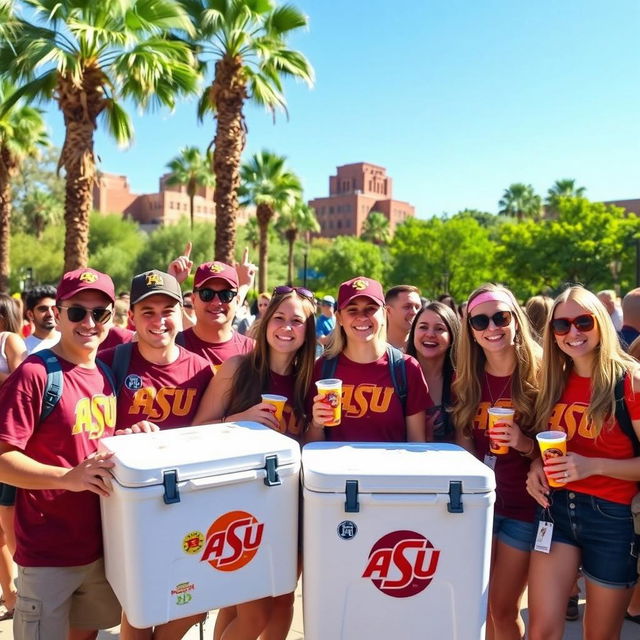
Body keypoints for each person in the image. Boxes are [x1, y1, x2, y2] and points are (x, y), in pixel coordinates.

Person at [0, 267, 121, 640]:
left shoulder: (106, 373)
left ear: (112, 317)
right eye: (77, 312)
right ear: (60, 313)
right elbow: (3, 460)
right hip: (49, 554)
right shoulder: (35, 374)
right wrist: (67, 477)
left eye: (99, 313)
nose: (89, 322)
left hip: (102, 549)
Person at [193, 285, 317, 640]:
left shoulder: (311, 378)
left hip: (291, 502)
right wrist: (241, 417)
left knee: (282, 601)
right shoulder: (237, 367)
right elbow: (197, 429)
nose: (286, 327)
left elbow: (311, 445)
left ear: (308, 330)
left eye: (297, 321)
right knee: (249, 607)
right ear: (265, 322)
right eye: (278, 318)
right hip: (239, 503)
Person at [100, 270, 215, 640]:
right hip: (129, 505)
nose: (159, 320)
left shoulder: (200, 370)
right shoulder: (109, 364)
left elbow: (212, 432)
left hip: (187, 504)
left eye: (168, 310)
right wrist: (121, 437)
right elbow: (89, 433)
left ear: (183, 313)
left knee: (196, 595)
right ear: (130, 317)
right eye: (147, 311)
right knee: (137, 603)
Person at [526, 285, 640, 640]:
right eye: (562, 325)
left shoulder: (630, 381)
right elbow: (542, 447)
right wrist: (535, 467)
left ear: (601, 323)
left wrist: (593, 466)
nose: (573, 333)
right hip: (556, 513)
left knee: (600, 635)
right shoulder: (551, 380)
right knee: (542, 631)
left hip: (613, 519)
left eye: (583, 322)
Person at [452, 283, 540, 640]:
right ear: (470, 331)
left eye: (501, 318)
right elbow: (463, 445)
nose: (492, 328)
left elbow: (554, 449)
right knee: (478, 605)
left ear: (516, 320)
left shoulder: (541, 375)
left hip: (523, 509)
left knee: (503, 610)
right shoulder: (466, 380)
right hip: (479, 508)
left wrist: (524, 444)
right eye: (481, 321)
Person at [307, 276, 430, 443]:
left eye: (371, 309)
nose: (362, 317)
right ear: (340, 318)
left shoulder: (407, 368)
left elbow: (417, 443)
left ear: (384, 313)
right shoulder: (322, 368)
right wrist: (316, 424)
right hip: (336, 469)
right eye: (352, 310)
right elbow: (310, 446)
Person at [168, 245, 256, 369]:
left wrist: (245, 285)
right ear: (193, 300)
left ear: (237, 301)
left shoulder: (252, 352)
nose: (216, 302)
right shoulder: (173, 345)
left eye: (226, 295)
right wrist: (170, 283)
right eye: (207, 294)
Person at [406, 301, 460, 442]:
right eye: (423, 327)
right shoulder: (398, 374)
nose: (430, 334)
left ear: (452, 336)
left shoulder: (461, 381)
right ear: (413, 333)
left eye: (439, 329)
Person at [384, 285, 422, 351]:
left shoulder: (424, 348)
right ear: (388, 311)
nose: (414, 312)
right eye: (407, 307)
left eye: (417, 307)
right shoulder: (373, 348)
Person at [23, 285, 59, 354]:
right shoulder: (23, 348)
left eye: (54, 309)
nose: (50, 314)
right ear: (30, 314)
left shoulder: (70, 341)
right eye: (43, 309)